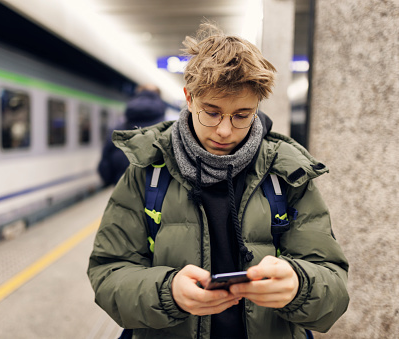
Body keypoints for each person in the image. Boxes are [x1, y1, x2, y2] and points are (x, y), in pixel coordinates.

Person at [88, 22, 349, 339]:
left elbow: (333, 284)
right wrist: (168, 293)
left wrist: (299, 285)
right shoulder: (147, 170)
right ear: (189, 98)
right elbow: (107, 272)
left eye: (242, 115)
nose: (225, 130)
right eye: (211, 112)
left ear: (257, 107)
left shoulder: (288, 174)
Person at [97, 84, 167, 186]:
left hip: (122, 189)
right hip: (157, 193)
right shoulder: (168, 130)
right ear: (158, 97)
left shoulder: (117, 130)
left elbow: (105, 167)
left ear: (137, 94)